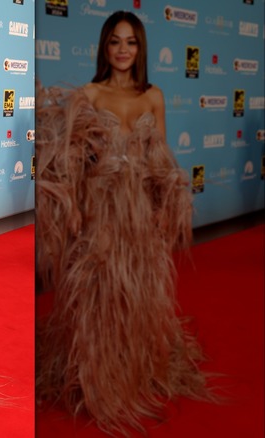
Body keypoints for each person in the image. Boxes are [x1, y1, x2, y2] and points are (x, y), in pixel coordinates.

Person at [35, 11, 213, 435]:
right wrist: (74, 207)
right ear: (104, 46)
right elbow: (69, 161)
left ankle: (135, 365)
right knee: (102, 291)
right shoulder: (89, 95)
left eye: (131, 42)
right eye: (115, 41)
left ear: (141, 48)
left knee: (137, 288)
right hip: (102, 209)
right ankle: (100, 374)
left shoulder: (154, 97)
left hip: (140, 211)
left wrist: (166, 205)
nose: (122, 50)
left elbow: (162, 159)